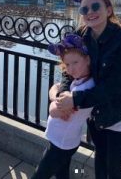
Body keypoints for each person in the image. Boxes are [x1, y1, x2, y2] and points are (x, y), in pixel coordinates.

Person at [53, 0, 121, 179]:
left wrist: (76, 100)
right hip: (94, 111)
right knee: (100, 159)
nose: (90, 12)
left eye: (95, 6)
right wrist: (65, 94)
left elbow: (115, 86)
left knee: (114, 168)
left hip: (118, 113)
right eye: (84, 9)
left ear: (108, 10)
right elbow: (67, 68)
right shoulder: (80, 35)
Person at [31, 34, 95, 179]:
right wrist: (56, 95)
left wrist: (53, 96)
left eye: (75, 62)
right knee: (62, 173)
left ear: (87, 59)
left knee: (39, 175)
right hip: (65, 141)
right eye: (67, 65)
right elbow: (56, 88)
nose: (71, 69)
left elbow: (53, 111)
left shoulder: (82, 90)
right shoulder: (80, 80)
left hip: (61, 144)